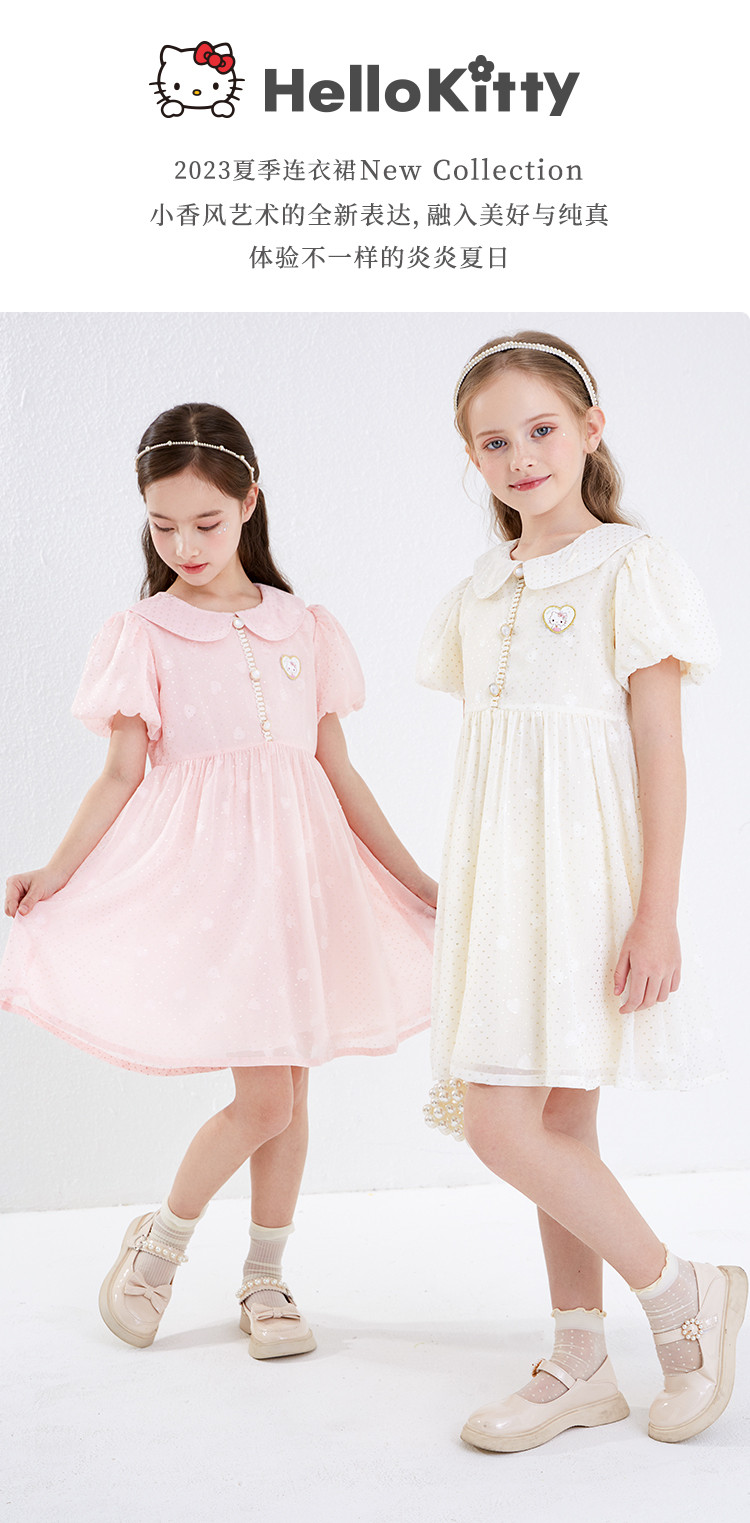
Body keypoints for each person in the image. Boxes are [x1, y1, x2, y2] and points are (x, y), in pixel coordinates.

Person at [2, 402, 436, 1357]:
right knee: (267, 1100)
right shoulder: (143, 631)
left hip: (304, 883)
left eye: (205, 521)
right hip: (215, 890)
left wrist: (414, 881)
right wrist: (57, 869)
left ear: (249, 502)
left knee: (293, 1096)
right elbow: (120, 773)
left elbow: (337, 769)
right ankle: (159, 1247)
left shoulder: (303, 625)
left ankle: (266, 1281)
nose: (186, 546)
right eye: (163, 526)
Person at [418, 333, 745, 1450]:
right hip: (503, 885)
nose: (521, 456)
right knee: (551, 1123)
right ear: (471, 455)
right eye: (493, 441)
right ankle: (582, 1359)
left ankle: (683, 1292)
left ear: (591, 429)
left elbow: (662, 751)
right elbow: (492, 758)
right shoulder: (479, 589)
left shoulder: (629, 567)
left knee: (502, 1123)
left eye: (541, 428)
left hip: (588, 879)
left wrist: (658, 910)